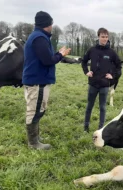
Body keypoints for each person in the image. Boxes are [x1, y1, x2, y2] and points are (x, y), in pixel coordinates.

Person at [22, 11, 71, 150]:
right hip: (38, 81)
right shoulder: (39, 38)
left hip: (38, 79)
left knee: (38, 108)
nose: (52, 25)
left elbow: (46, 57)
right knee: (34, 110)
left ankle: (35, 137)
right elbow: (48, 60)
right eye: (51, 23)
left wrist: (58, 54)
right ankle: (33, 143)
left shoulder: (39, 37)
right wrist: (61, 54)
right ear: (47, 24)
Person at [81, 27, 122, 133]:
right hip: (93, 84)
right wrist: (86, 72)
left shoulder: (111, 52)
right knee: (89, 106)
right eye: (103, 37)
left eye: (106, 37)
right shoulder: (92, 50)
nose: (105, 39)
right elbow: (83, 62)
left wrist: (113, 75)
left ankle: (101, 128)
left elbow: (119, 66)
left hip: (104, 85)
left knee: (102, 107)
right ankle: (86, 127)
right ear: (98, 37)